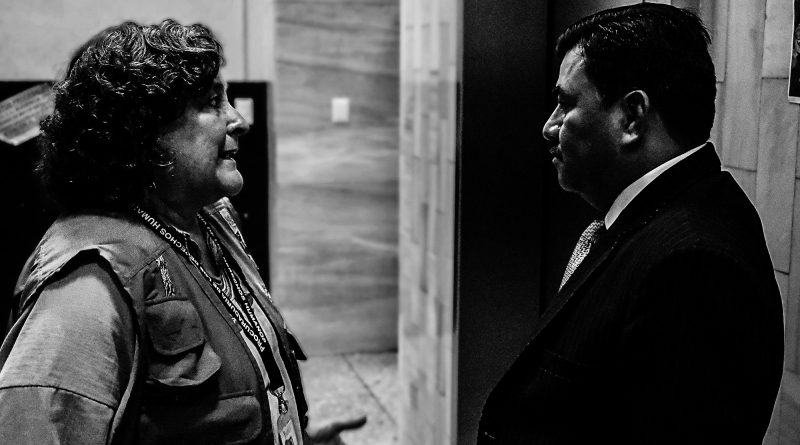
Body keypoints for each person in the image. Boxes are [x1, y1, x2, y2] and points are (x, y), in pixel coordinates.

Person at [0, 19, 365, 444]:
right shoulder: (88, 287)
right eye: (212, 102)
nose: (239, 120)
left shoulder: (209, 221)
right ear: (144, 133)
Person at [478, 4, 784, 444]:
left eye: (565, 103)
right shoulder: (658, 217)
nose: (549, 127)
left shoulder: (694, 266)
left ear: (632, 117)